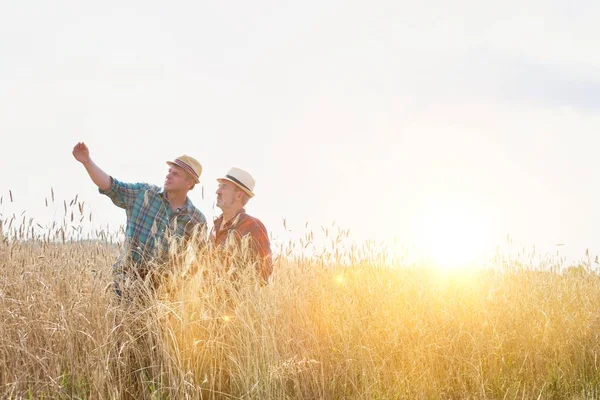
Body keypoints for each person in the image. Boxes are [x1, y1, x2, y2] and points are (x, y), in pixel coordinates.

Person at [72, 142, 207, 297]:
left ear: (189, 183)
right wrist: (87, 162)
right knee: (122, 322)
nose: (168, 175)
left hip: (162, 292)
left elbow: (202, 256)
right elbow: (112, 186)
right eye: (169, 171)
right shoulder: (144, 194)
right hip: (126, 282)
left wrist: (180, 282)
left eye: (175, 174)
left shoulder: (196, 219)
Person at [210, 167, 273, 284]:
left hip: (235, 301)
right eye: (219, 186)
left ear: (238, 195)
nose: (217, 191)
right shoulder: (215, 226)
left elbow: (264, 270)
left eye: (224, 187)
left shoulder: (253, 226)